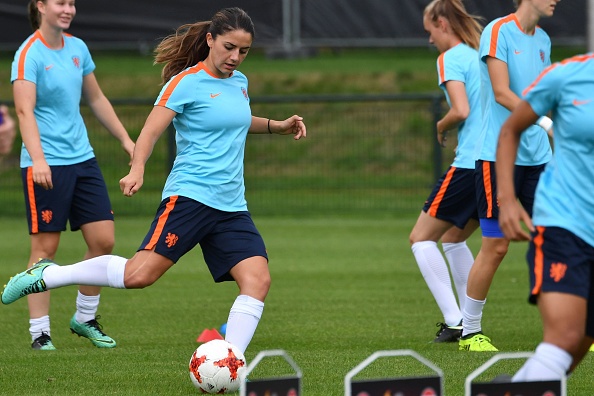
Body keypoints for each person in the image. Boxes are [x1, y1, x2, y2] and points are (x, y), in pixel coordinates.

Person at [2, 7, 306, 355]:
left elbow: (233, 117)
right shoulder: (185, 82)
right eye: (228, 47)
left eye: (244, 51)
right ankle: (47, 275)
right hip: (190, 198)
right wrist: (137, 168)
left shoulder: (239, 83)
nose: (235, 57)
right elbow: (149, 130)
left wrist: (276, 126)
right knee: (137, 276)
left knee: (257, 280)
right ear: (210, 40)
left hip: (232, 206)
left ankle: (229, 364)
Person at [9, 0, 135, 350]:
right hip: (46, 163)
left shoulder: (78, 47)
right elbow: (24, 111)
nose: (69, 9)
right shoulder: (28, 54)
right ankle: (39, 334)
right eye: (61, 2)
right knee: (45, 249)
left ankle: (84, 317)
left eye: (72, 3)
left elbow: (96, 99)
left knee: (103, 240)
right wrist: (38, 159)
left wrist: (126, 140)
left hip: (84, 160)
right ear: (41, 6)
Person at [458, 0, 561, 352]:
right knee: (497, 246)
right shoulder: (498, 31)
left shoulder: (544, 39)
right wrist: (547, 122)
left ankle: (576, 327)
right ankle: (470, 332)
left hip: (539, 159)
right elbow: (502, 93)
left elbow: (542, 95)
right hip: (497, 157)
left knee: (558, 241)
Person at [496, 52, 594, 381]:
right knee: (565, 336)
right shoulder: (567, 76)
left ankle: (510, 389)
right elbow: (510, 130)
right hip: (564, 222)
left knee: (578, 343)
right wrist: (507, 199)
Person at [410, 0, 482, 343]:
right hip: (498, 163)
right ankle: (470, 322)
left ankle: (457, 321)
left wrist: (441, 125)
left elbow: (461, 109)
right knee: (454, 238)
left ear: (442, 23)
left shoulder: (450, 58)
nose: (429, 41)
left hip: (470, 164)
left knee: (420, 238)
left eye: (429, 32)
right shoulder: (481, 55)